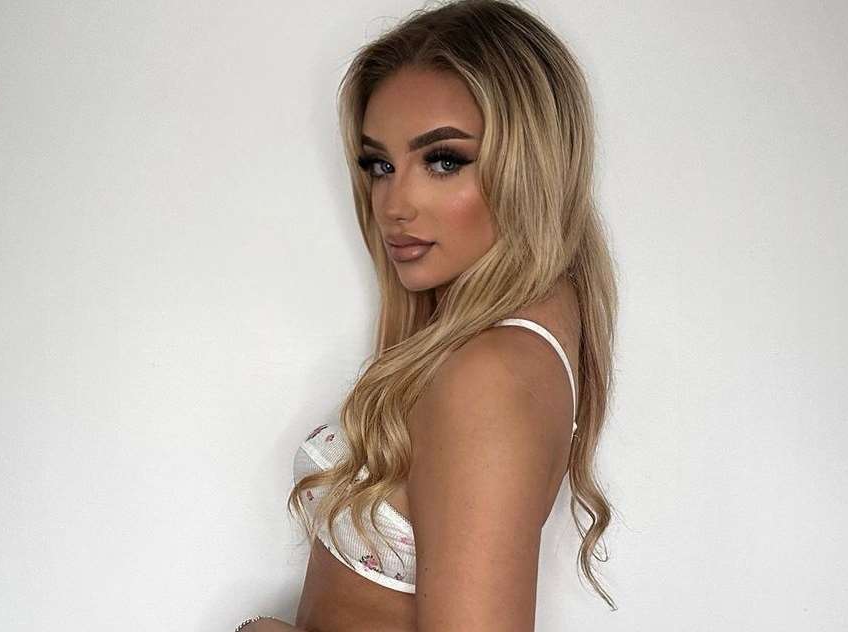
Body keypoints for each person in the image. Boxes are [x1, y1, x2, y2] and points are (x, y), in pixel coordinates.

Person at [236, 0, 618, 629]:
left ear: (531, 166)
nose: (394, 204)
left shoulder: (489, 374)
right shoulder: (510, 335)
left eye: (443, 161)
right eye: (380, 165)